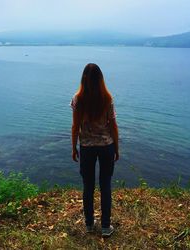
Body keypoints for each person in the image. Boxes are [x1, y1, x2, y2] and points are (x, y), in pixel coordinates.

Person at [70, 63, 119, 237]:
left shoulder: (78, 99)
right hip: (107, 146)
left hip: (87, 148)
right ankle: (106, 227)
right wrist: (117, 148)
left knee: (87, 186)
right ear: (100, 79)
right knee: (105, 185)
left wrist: (74, 147)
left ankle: (89, 224)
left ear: (83, 79)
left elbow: (75, 126)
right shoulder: (107, 98)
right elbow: (113, 126)